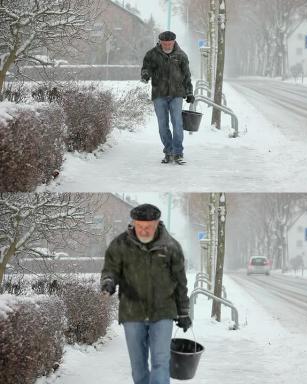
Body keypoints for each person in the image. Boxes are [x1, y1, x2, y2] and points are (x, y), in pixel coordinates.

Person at [100, 203, 191, 384]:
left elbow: (181, 283)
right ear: (133, 223)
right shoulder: (120, 245)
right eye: (140, 226)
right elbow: (110, 269)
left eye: (148, 226)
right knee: (138, 365)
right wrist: (108, 282)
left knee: (160, 362)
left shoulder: (171, 247)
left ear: (157, 223)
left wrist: (184, 312)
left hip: (163, 312)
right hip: (132, 312)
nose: (143, 230)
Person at [141, 31, 195, 165]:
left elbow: (187, 76)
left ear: (174, 42)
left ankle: (178, 153)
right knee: (162, 125)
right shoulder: (152, 54)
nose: (166, 45)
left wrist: (189, 92)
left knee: (177, 123)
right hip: (159, 94)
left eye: (169, 43)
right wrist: (146, 74)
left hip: (177, 94)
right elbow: (146, 68)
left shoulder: (181, 55)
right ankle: (168, 151)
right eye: (164, 43)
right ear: (160, 42)